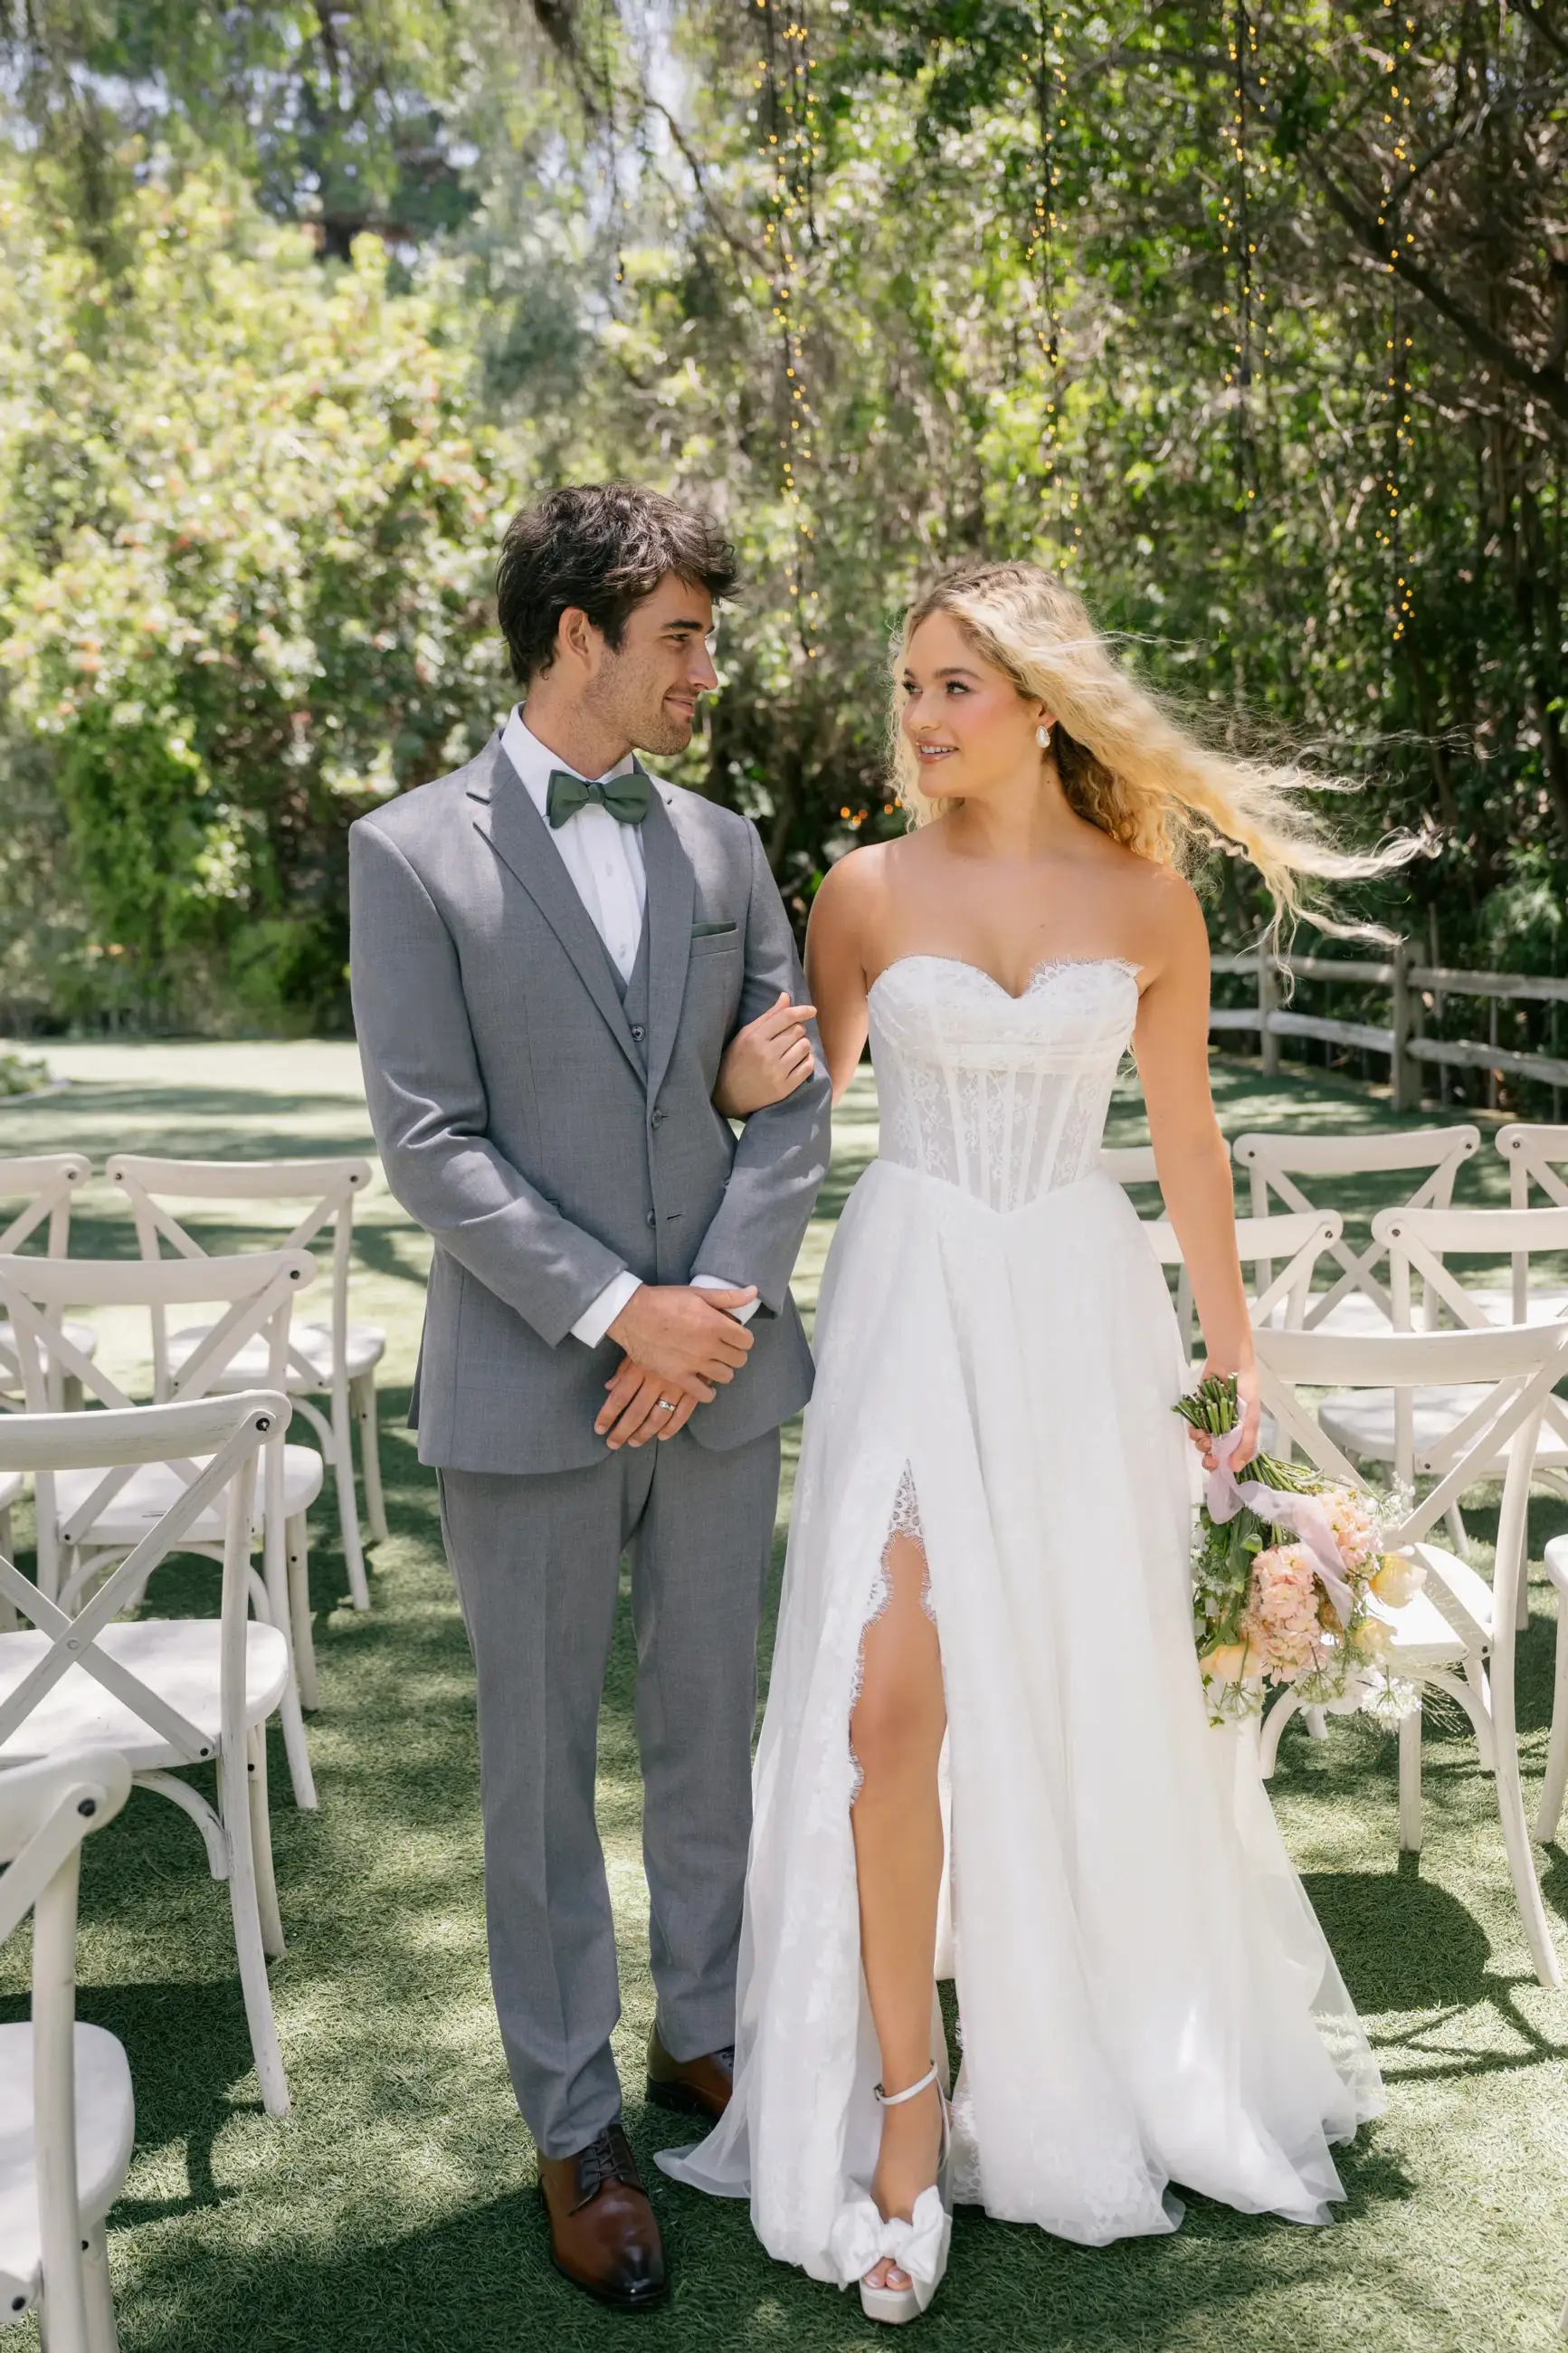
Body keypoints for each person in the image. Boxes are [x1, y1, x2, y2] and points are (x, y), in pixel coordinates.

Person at [659, 560, 1404, 2321]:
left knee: (1073, 1692)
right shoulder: (855, 894)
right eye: (906, 686)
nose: (918, 721)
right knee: (881, 1696)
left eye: (951, 690)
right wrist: (733, 1094)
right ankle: (904, 2118)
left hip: (1076, 1313)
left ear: (1043, 703)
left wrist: (1228, 1387)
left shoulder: (1146, 904)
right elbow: (790, 1120)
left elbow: (1191, 1147)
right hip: (915, 1298)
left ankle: (1079, 2049)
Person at [348, 481, 830, 2313]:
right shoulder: (408, 854)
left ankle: (703, 2037)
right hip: (531, 1390)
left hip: (717, 1382)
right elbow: (428, 1143)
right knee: (538, 1782)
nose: (704, 669)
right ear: (576, 639)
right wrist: (619, 1310)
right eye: (679, 639)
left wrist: (706, 1312)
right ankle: (572, 2125)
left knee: (711, 1732)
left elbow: (784, 1095)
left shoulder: (724, 847)